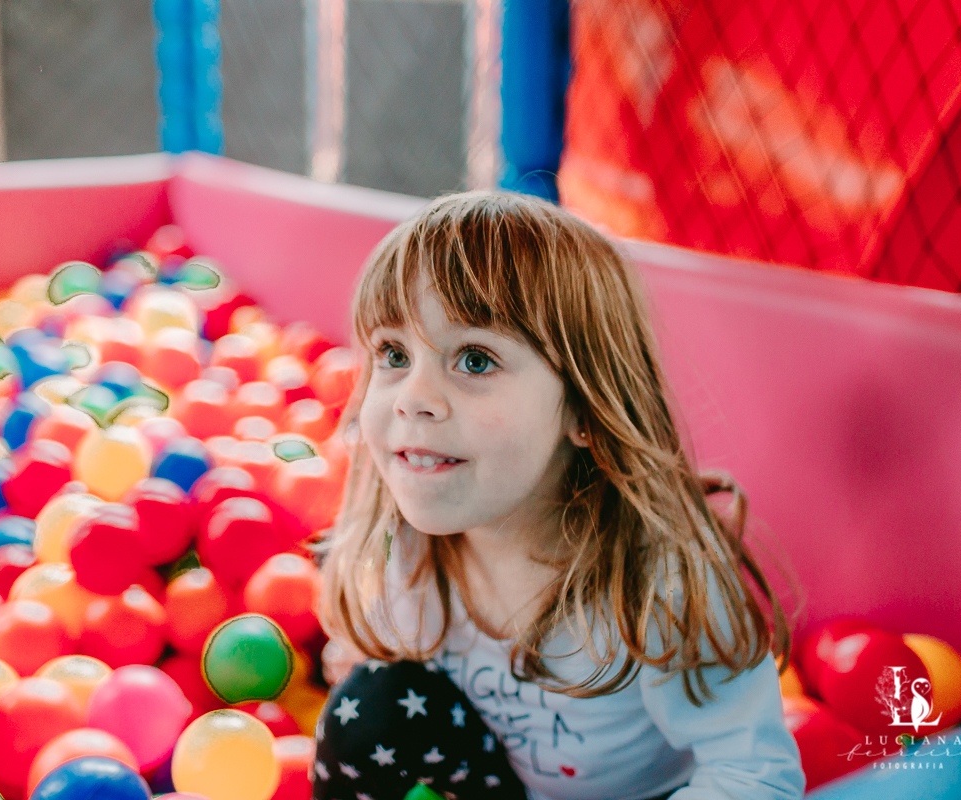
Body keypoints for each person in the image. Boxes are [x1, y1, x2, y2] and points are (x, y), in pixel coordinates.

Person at [312, 191, 805, 800]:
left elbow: (752, 773)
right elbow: (372, 654)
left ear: (586, 410)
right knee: (369, 709)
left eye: (473, 360)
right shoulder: (403, 547)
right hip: (499, 784)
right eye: (393, 354)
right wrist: (351, 649)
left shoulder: (660, 588)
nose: (414, 397)